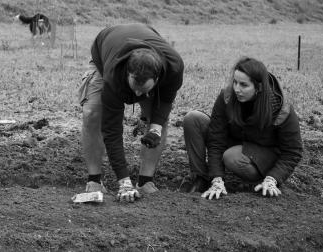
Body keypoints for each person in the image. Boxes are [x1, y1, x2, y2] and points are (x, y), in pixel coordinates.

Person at [73, 23, 184, 203]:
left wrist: (155, 128)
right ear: (127, 75)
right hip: (105, 53)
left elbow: (165, 101)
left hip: (150, 50)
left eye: (144, 90)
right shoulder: (114, 76)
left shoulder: (173, 68)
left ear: (157, 79)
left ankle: (145, 181)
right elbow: (112, 130)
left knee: (159, 120)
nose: (138, 96)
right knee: (92, 112)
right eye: (135, 89)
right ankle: (94, 179)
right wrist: (123, 181)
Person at [181, 57, 303, 199]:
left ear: (259, 87)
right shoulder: (227, 97)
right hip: (237, 142)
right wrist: (217, 178)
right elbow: (216, 138)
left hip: (263, 155)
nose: (237, 89)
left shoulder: (282, 110)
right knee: (193, 119)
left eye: (244, 85)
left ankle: (259, 182)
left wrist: (273, 178)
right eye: (235, 82)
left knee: (232, 157)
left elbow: (293, 152)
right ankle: (201, 178)